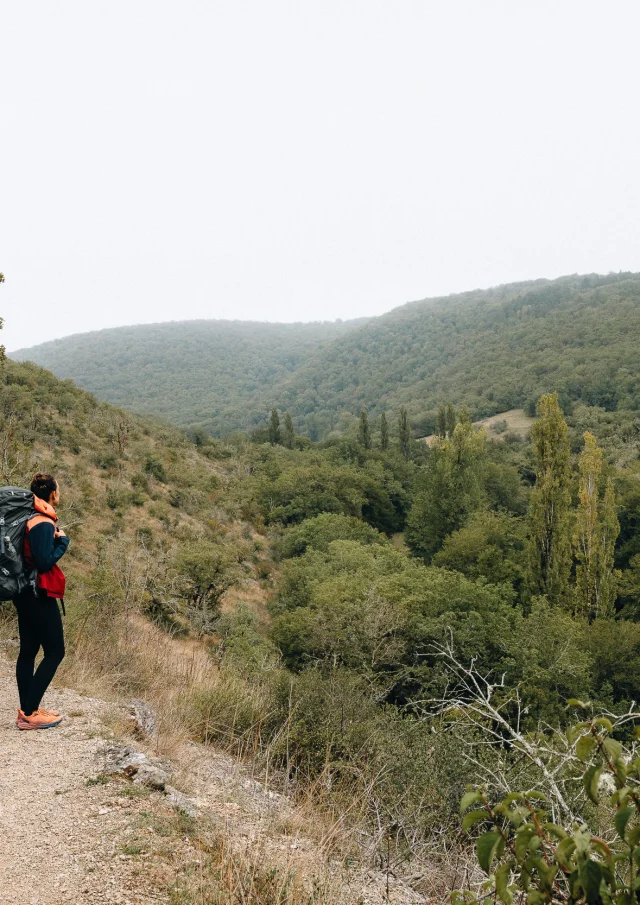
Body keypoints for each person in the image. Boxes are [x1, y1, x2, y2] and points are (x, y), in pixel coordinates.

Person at [14, 473, 69, 730]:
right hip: (38, 594)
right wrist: (63, 544)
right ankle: (29, 712)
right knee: (55, 651)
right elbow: (45, 561)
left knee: (28, 651)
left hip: (22, 592)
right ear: (52, 493)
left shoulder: (26, 517)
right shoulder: (43, 521)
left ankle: (29, 709)